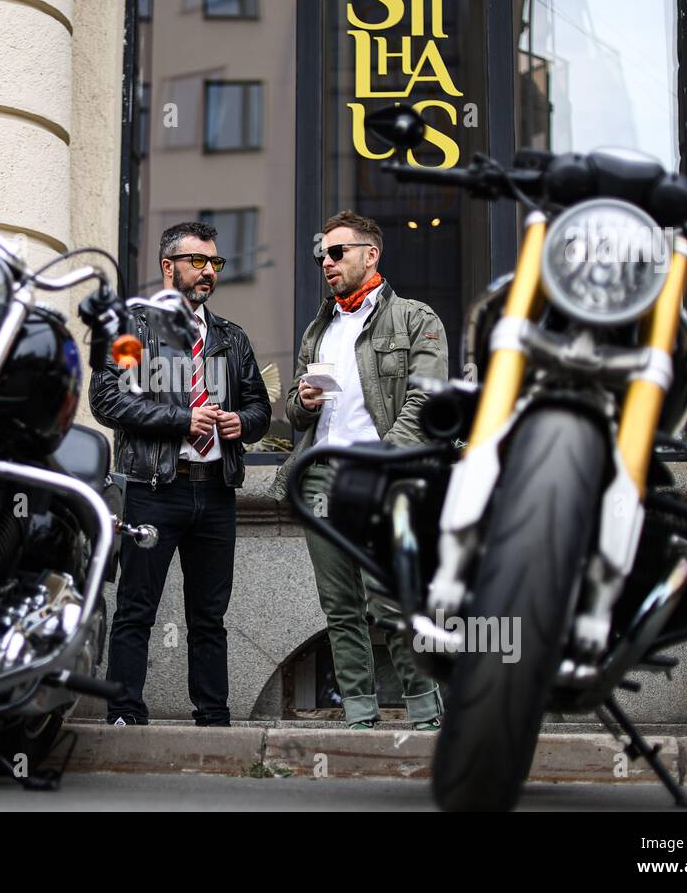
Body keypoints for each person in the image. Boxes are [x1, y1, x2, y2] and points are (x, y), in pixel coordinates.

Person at [271, 209, 448, 730]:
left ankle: (425, 712)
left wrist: (383, 462)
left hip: (383, 477)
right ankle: (359, 716)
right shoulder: (320, 326)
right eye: (321, 254)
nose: (326, 262)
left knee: (391, 601)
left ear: (371, 255)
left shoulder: (414, 318)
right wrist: (302, 400)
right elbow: (298, 411)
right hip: (322, 476)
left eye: (337, 251)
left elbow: (427, 399)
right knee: (340, 606)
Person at [90, 221, 271, 726]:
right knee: (135, 608)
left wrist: (243, 423)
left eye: (216, 262)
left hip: (215, 493)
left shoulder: (231, 338)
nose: (209, 271)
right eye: (198, 261)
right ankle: (125, 712)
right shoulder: (133, 329)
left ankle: (213, 718)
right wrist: (181, 419)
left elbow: (259, 407)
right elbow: (107, 399)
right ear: (169, 267)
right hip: (153, 489)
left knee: (209, 616)